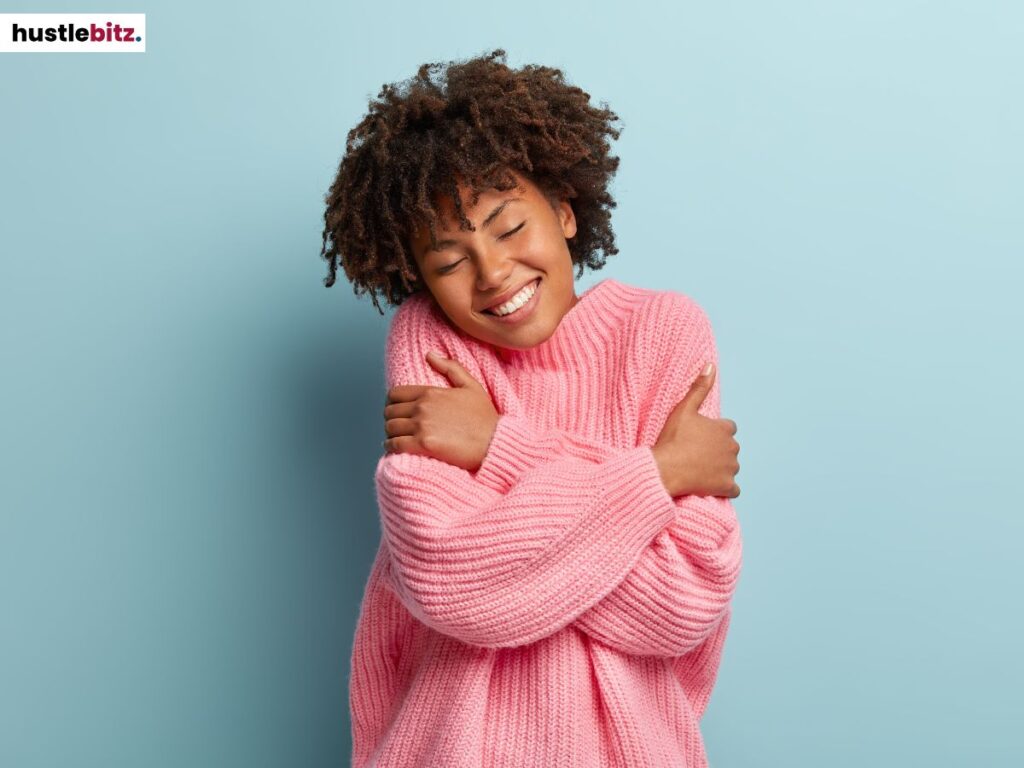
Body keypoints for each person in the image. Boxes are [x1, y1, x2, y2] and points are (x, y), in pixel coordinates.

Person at [320, 48, 743, 768]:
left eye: (510, 228)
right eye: (449, 262)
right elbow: (449, 581)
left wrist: (498, 447)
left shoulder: (665, 332)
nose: (492, 274)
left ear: (567, 212)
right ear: (418, 278)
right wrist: (655, 477)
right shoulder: (429, 340)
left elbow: (684, 598)